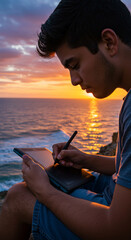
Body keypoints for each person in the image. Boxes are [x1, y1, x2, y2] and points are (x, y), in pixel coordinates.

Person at [0, 0, 131, 239]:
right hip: (116, 193)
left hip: (115, 216)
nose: (73, 80)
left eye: (75, 65)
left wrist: (44, 192)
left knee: (18, 197)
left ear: (109, 42)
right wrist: (86, 159)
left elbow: (119, 230)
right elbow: (125, 165)